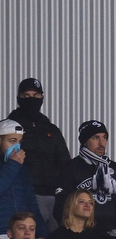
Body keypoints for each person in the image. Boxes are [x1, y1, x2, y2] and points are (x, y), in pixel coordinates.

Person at [7, 79, 71, 233]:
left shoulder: (51, 129)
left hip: (53, 198)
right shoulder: (8, 128)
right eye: (26, 95)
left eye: (36, 96)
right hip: (23, 196)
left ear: (42, 97)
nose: (31, 100)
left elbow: (66, 164)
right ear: (18, 97)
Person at [54, 121, 116, 239]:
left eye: (104, 138)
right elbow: (61, 206)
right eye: (95, 138)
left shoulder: (115, 169)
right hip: (83, 233)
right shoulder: (71, 168)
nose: (101, 143)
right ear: (85, 141)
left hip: (111, 232)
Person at [0, 119, 48, 238]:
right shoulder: (15, 166)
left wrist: (42, 233)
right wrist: (12, 165)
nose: (16, 146)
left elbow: (32, 205)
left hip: (22, 233)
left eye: (19, 142)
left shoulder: (22, 169)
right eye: (12, 141)